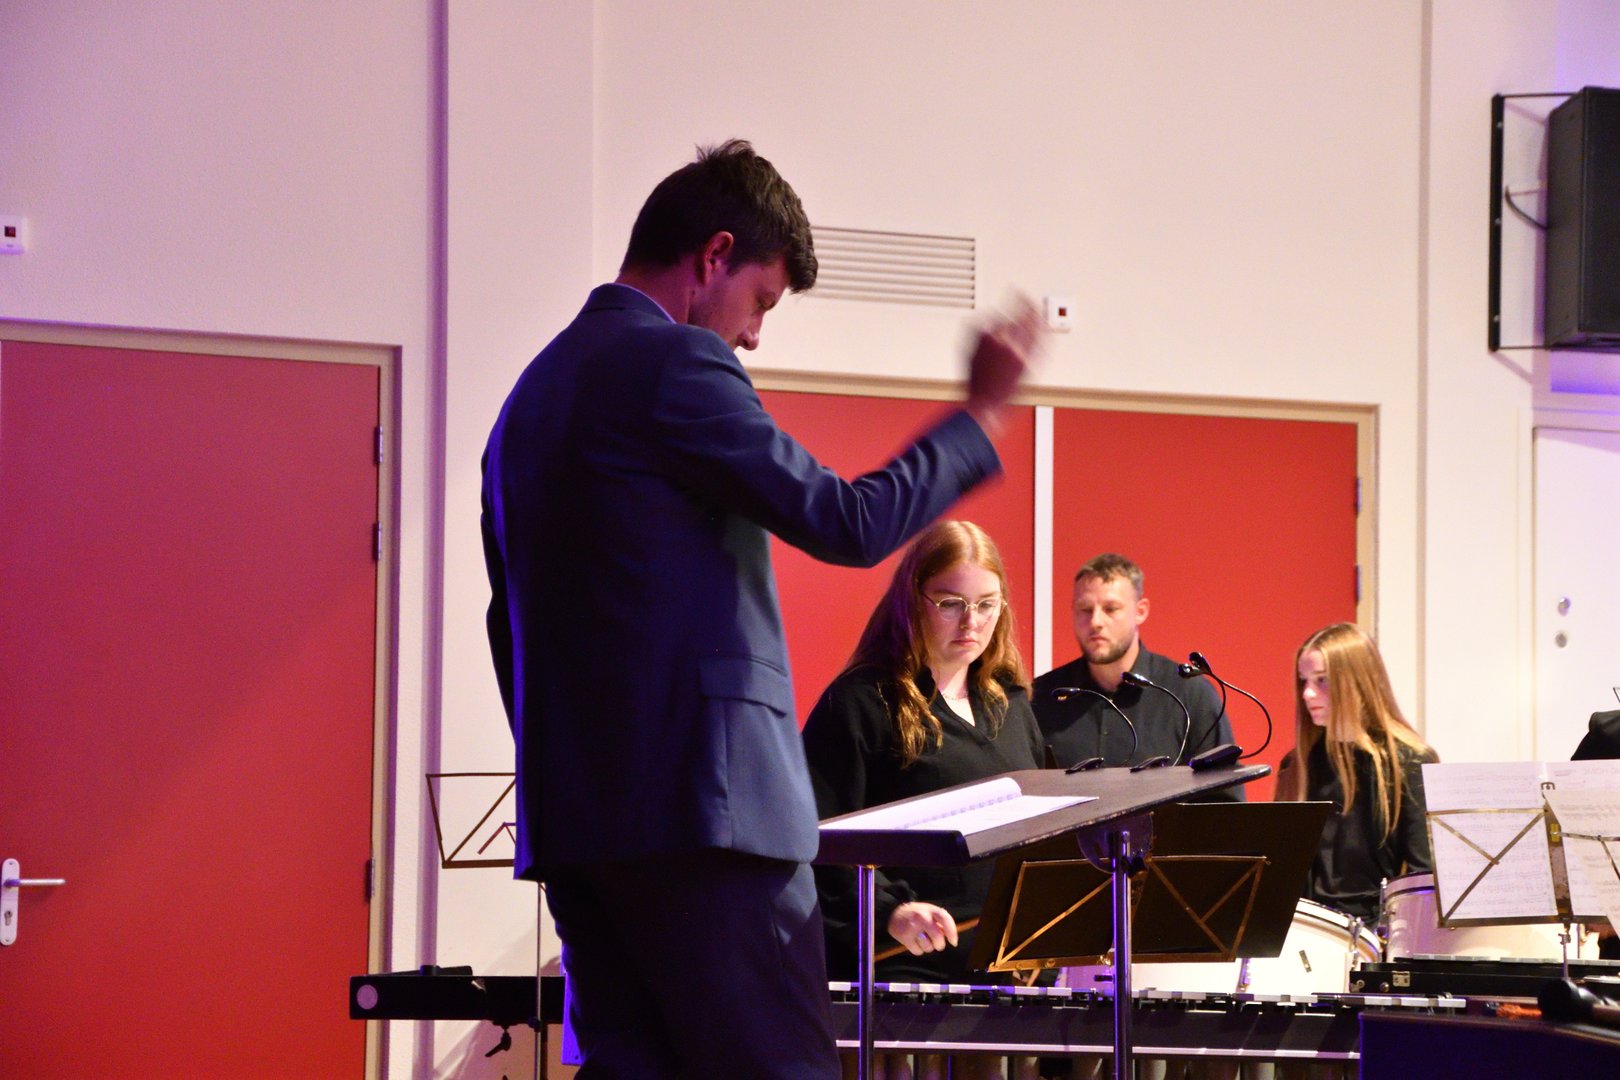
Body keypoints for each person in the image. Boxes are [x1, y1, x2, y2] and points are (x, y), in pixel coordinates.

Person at [480, 140, 1043, 1080]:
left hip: (579, 829)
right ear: (713, 256)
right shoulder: (673, 363)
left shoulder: (527, 401)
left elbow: (509, 626)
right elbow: (847, 521)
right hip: (709, 820)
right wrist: (978, 416)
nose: (752, 337)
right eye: (761, 302)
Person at [802, 520, 1045, 985]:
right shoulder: (862, 702)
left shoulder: (1010, 704)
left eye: (986, 604)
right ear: (913, 601)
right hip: (907, 974)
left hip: (1009, 973)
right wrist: (890, 911)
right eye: (951, 603)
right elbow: (817, 837)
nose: (972, 622)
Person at [1274, 622, 1438, 924]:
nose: (1307, 693)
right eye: (1304, 681)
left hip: (1378, 933)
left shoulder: (1409, 761)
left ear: (1358, 682)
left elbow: (1422, 876)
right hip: (1307, 930)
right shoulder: (1296, 765)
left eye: (1322, 680)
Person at [1031, 554, 1237, 784]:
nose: (1096, 621)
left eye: (1111, 609)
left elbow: (1224, 796)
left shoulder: (1189, 695)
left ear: (1140, 611)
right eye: (1085, 609)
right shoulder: (1041, 697)